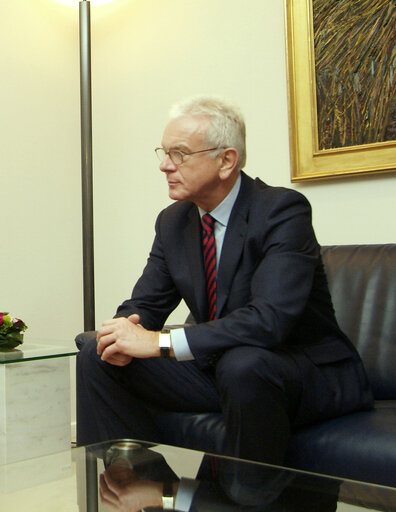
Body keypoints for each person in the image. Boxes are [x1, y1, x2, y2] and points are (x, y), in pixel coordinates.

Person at [77, 96, 372, 469]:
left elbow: (269, 320)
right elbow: (148, 303)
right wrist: (125, 330)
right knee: (97, 354)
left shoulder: (282, 210)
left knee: (243, 365)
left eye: (179, 154)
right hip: (223, 367)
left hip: (301, 371)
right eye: (164, 152)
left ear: (226, 160)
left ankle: (247, 500)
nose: (165, 166)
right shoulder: (173, 222)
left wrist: (159, 342)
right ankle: (140, 488)